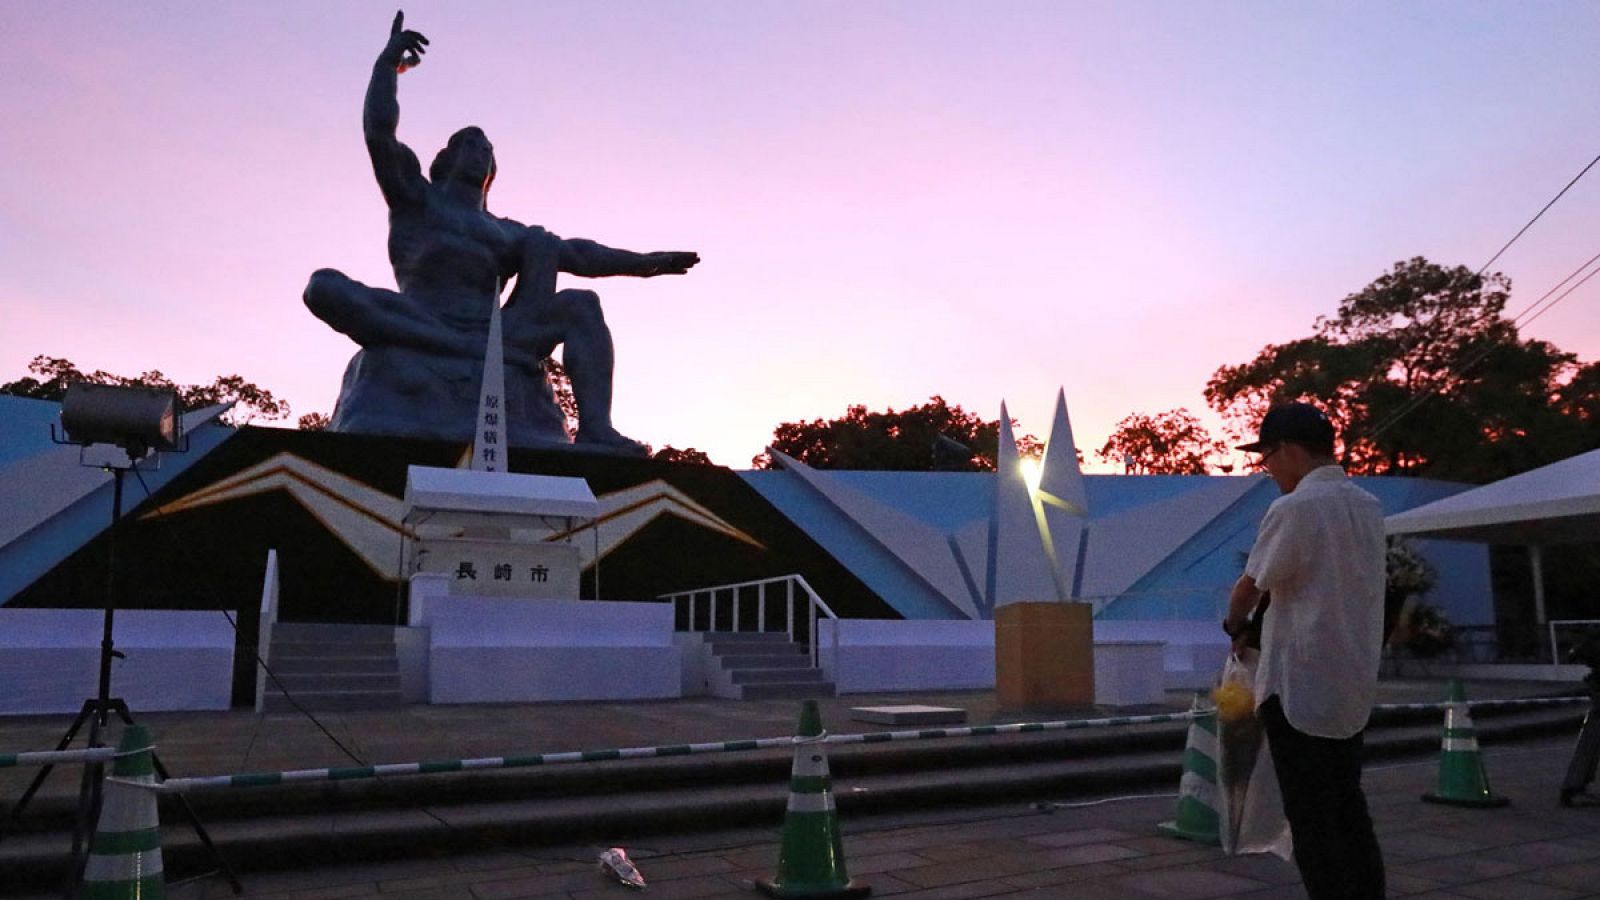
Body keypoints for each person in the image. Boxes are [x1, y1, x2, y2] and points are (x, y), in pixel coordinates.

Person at [304, 12, 699, 452]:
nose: (479, 152)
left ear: (493, 172)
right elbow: (379, 133)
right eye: (468, 144)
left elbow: (580, 255)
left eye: (487, 150)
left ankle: (597, 428)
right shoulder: (415, 197)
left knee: (581, 305)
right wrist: (386, 67)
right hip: (421, 317)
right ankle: (455, 345)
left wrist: (645, 264)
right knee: (323, 287)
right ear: (443, 158)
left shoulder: (508, 233)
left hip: (499, 334)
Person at [1223, 402, 1387, 899]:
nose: (1267, 468)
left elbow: (1250, 586)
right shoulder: (1368, 506)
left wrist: (1235, 625)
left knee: (1311, 817)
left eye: (1268, 455)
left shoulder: (1294, 507)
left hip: (1299, 683)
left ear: (1290, 449)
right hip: (1352, 681)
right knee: (1347, 804)